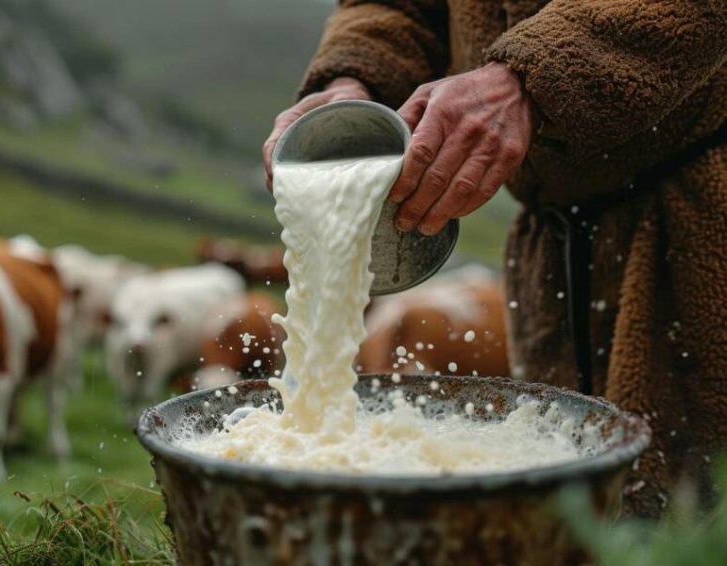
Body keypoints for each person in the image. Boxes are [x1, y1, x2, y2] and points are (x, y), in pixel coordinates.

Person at [262, 0, 726, 518]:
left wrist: (535, 73)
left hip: (699, 219)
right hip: (551, 247)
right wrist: (357, 78)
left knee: (699, 517)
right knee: (568, 516)